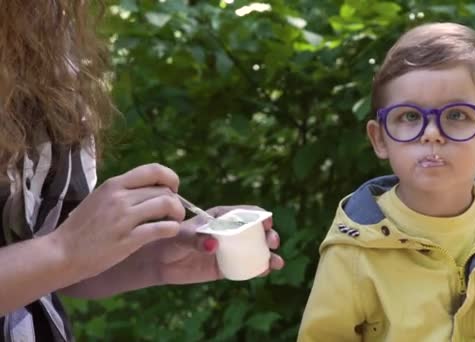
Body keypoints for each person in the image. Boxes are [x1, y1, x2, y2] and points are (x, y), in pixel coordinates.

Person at [0, 1, 283, 341]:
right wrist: (65, 251)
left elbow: (42, 257)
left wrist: (154, 259)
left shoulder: (46, 27)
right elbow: (57, 251)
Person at [297, 22, 475, 341]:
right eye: (409, 116)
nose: (431, 133)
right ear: (379, 138)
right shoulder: (354, 248)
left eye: (456, 115)